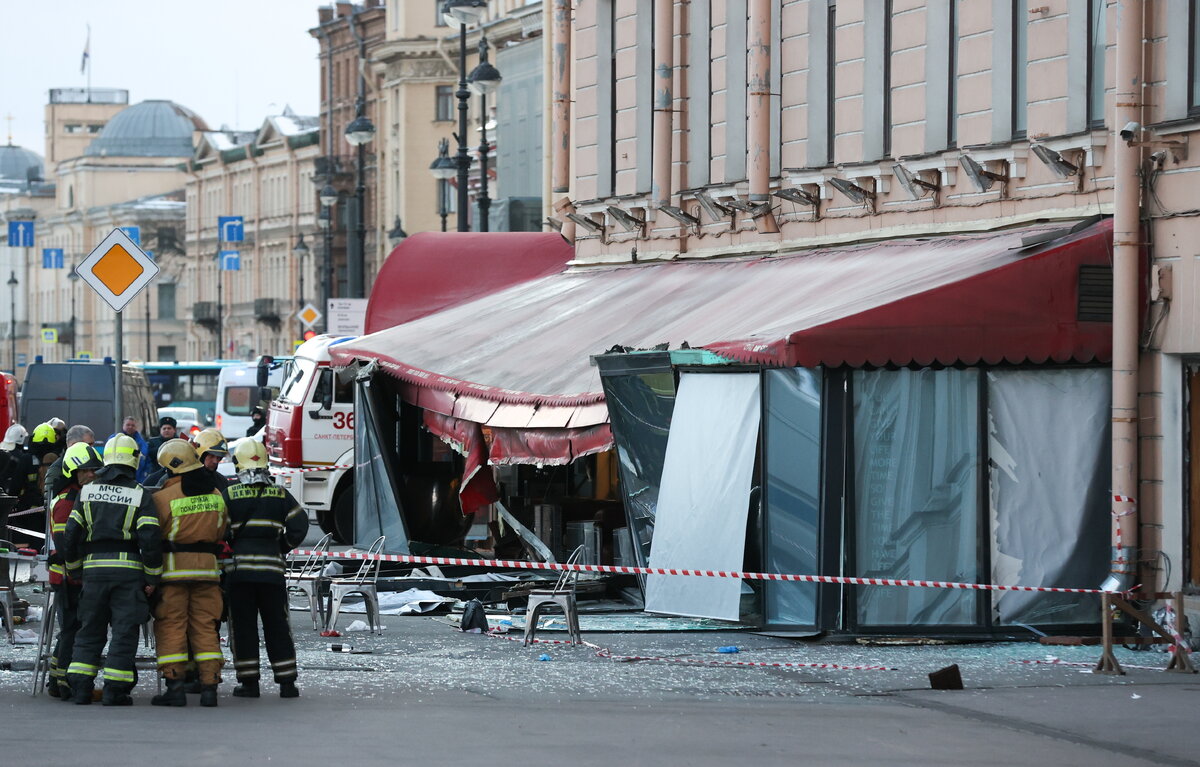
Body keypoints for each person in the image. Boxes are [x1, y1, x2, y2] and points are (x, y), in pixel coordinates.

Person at [62, 435, 163, 706]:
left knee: (89, 630)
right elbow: (150, 538)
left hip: (93, 572)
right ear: (134, 459)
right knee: (124, 632)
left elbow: (71, 535)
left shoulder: (87, 491)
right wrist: (152, 576)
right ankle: (114, 691)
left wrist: (75, 570)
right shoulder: (139, 493)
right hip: (128, 574)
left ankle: (81, 689)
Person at [149, 439, 229, 707]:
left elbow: (153, 535)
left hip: (174, 573)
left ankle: (175, 687)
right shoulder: (216, 495)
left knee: (172, 625)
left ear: (171, 468)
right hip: (208, 572)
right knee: (205, 626)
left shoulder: (162, 498)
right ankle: (209, 688)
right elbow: (221, 531)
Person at [224, 440, 306, 699]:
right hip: (272, 572)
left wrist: (232, 545)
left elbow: (219, 530)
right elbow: (300, 525)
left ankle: (249, 683)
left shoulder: (229, 495)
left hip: (240, 574)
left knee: (243, 627)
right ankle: (287, 683)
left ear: (238, 464)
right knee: (277, 625)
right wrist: (281, 546)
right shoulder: (280, 494)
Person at [45, 442, 104, 699]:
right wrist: (77, 571)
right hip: (68, 577)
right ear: (73, 472)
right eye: (86, 471)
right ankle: (64, 682)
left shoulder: (79, 495)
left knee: (72, 629)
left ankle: (56, 681)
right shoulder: (68, 500)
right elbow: (64, 544)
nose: (91, 474)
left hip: (72, 575)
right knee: (72, 629)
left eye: (94, 470)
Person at [45, 425, 95, 500]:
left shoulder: (93, 465)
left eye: (92, 444)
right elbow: (49, 500)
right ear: (73, 445)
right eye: (88, 445)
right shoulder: (57, 469)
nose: (92, 448)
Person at [104, 417, 150, 484]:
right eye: (128, 425)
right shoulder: (113, 439)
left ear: (136, 427)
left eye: (133, 425)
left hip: (137, 477)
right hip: (116, 476)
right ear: (123, 425)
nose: (130, 427)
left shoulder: (142, 443)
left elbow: (146, 460)